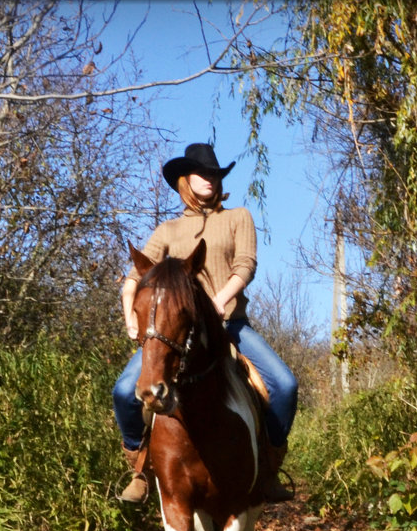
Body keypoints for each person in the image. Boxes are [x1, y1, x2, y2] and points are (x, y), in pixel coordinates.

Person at [112, 143, 298, 504]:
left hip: (230, 325)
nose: (210, 179)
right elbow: (137, 275)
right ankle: (140, 470)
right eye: (202, 173)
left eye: (215, 173)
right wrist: (128, 311)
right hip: (176, 332)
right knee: (123, 392)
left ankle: (271, 468)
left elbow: (245, 265)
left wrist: (218, 302)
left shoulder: (238, 217)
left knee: (285, 386)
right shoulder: (167, 230)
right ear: (185, 180)